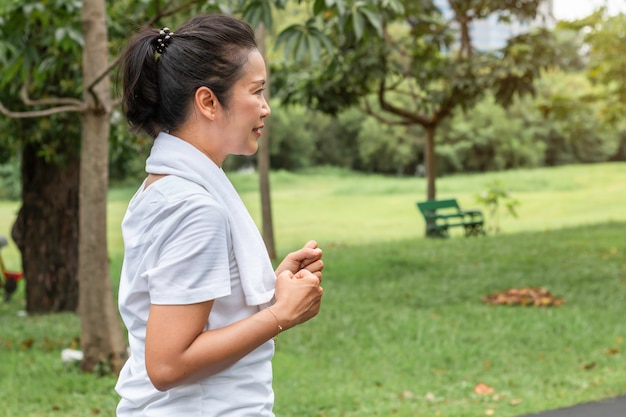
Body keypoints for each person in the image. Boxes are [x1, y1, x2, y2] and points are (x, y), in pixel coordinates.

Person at [115, 14, 325, 417]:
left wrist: (268, 291)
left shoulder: (166, 187)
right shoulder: (194, 207)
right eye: (257, 92)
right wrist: (281, 316)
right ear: (208, 101)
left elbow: (196, 313)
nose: (265, 108)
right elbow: (167, 364)